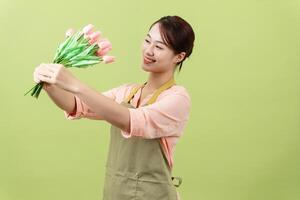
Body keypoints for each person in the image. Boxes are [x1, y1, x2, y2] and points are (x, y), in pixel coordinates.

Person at [33, 15, 195, 200]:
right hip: (116, 193)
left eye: (159, 47)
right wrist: (50, 85)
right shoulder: (127, 92)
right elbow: (78, 105)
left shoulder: (177, 98)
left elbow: (130, 120)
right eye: (147, 41)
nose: (148, 51)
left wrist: (75, 84)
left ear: (179, 56)